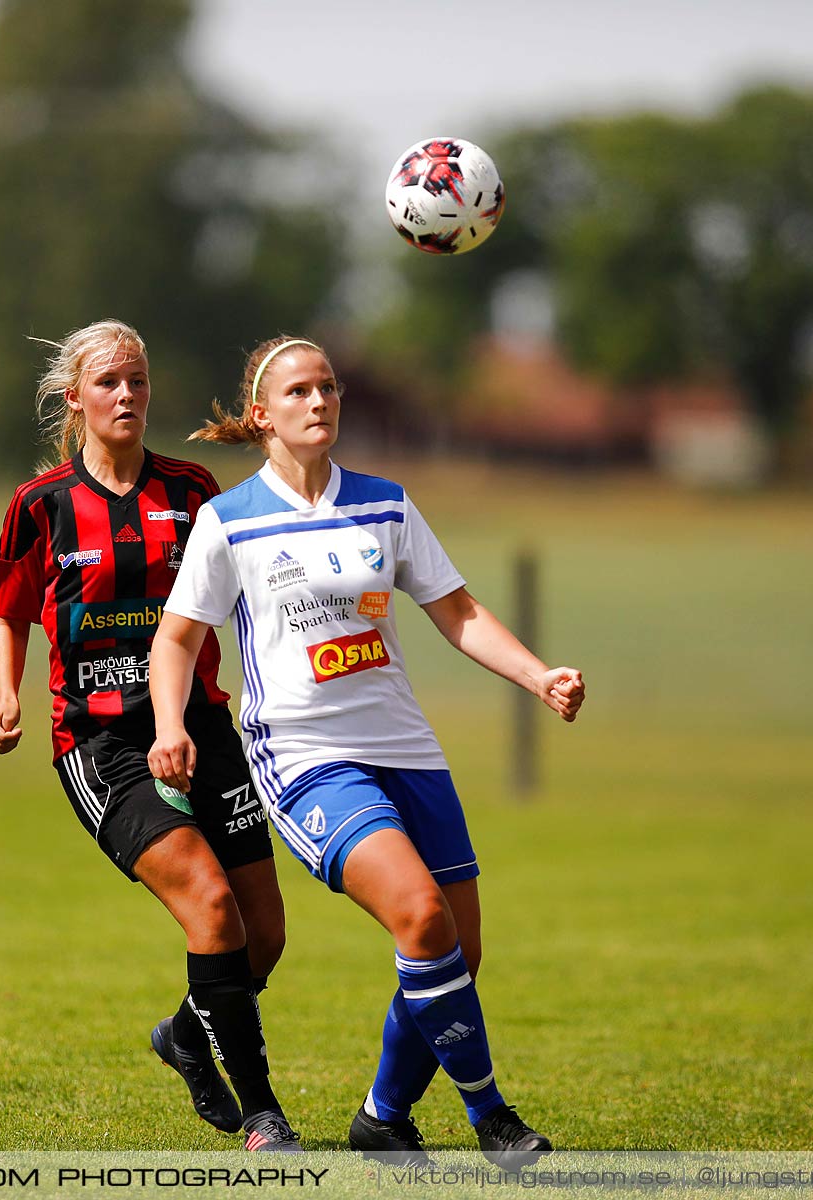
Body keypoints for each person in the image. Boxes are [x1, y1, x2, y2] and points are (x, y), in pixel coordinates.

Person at [146, 336, 585, 1169]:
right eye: (301, 391)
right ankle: (491, 1116)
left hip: (408, 749)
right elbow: (175, 642)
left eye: (330, 388)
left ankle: (383, 1118)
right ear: (261, 415)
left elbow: (457, 612)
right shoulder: (229, 521)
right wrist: (170, 725)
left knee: (459, 944)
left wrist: (538, 676)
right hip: (306, 755)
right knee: (420, 916)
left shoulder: (386, 504)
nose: (320, 402)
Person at [0, 319, 301, 1153]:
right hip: (103, 747)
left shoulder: (192, 492)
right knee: (213, 905)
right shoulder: (41, 505)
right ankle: (264, 1113)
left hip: (202, 729)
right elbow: (5, 614)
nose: (127, 396)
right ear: (74, 397)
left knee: (263, 934)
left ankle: (188, 1037)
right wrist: (5, 697)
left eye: (139, 382)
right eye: (110, 383)